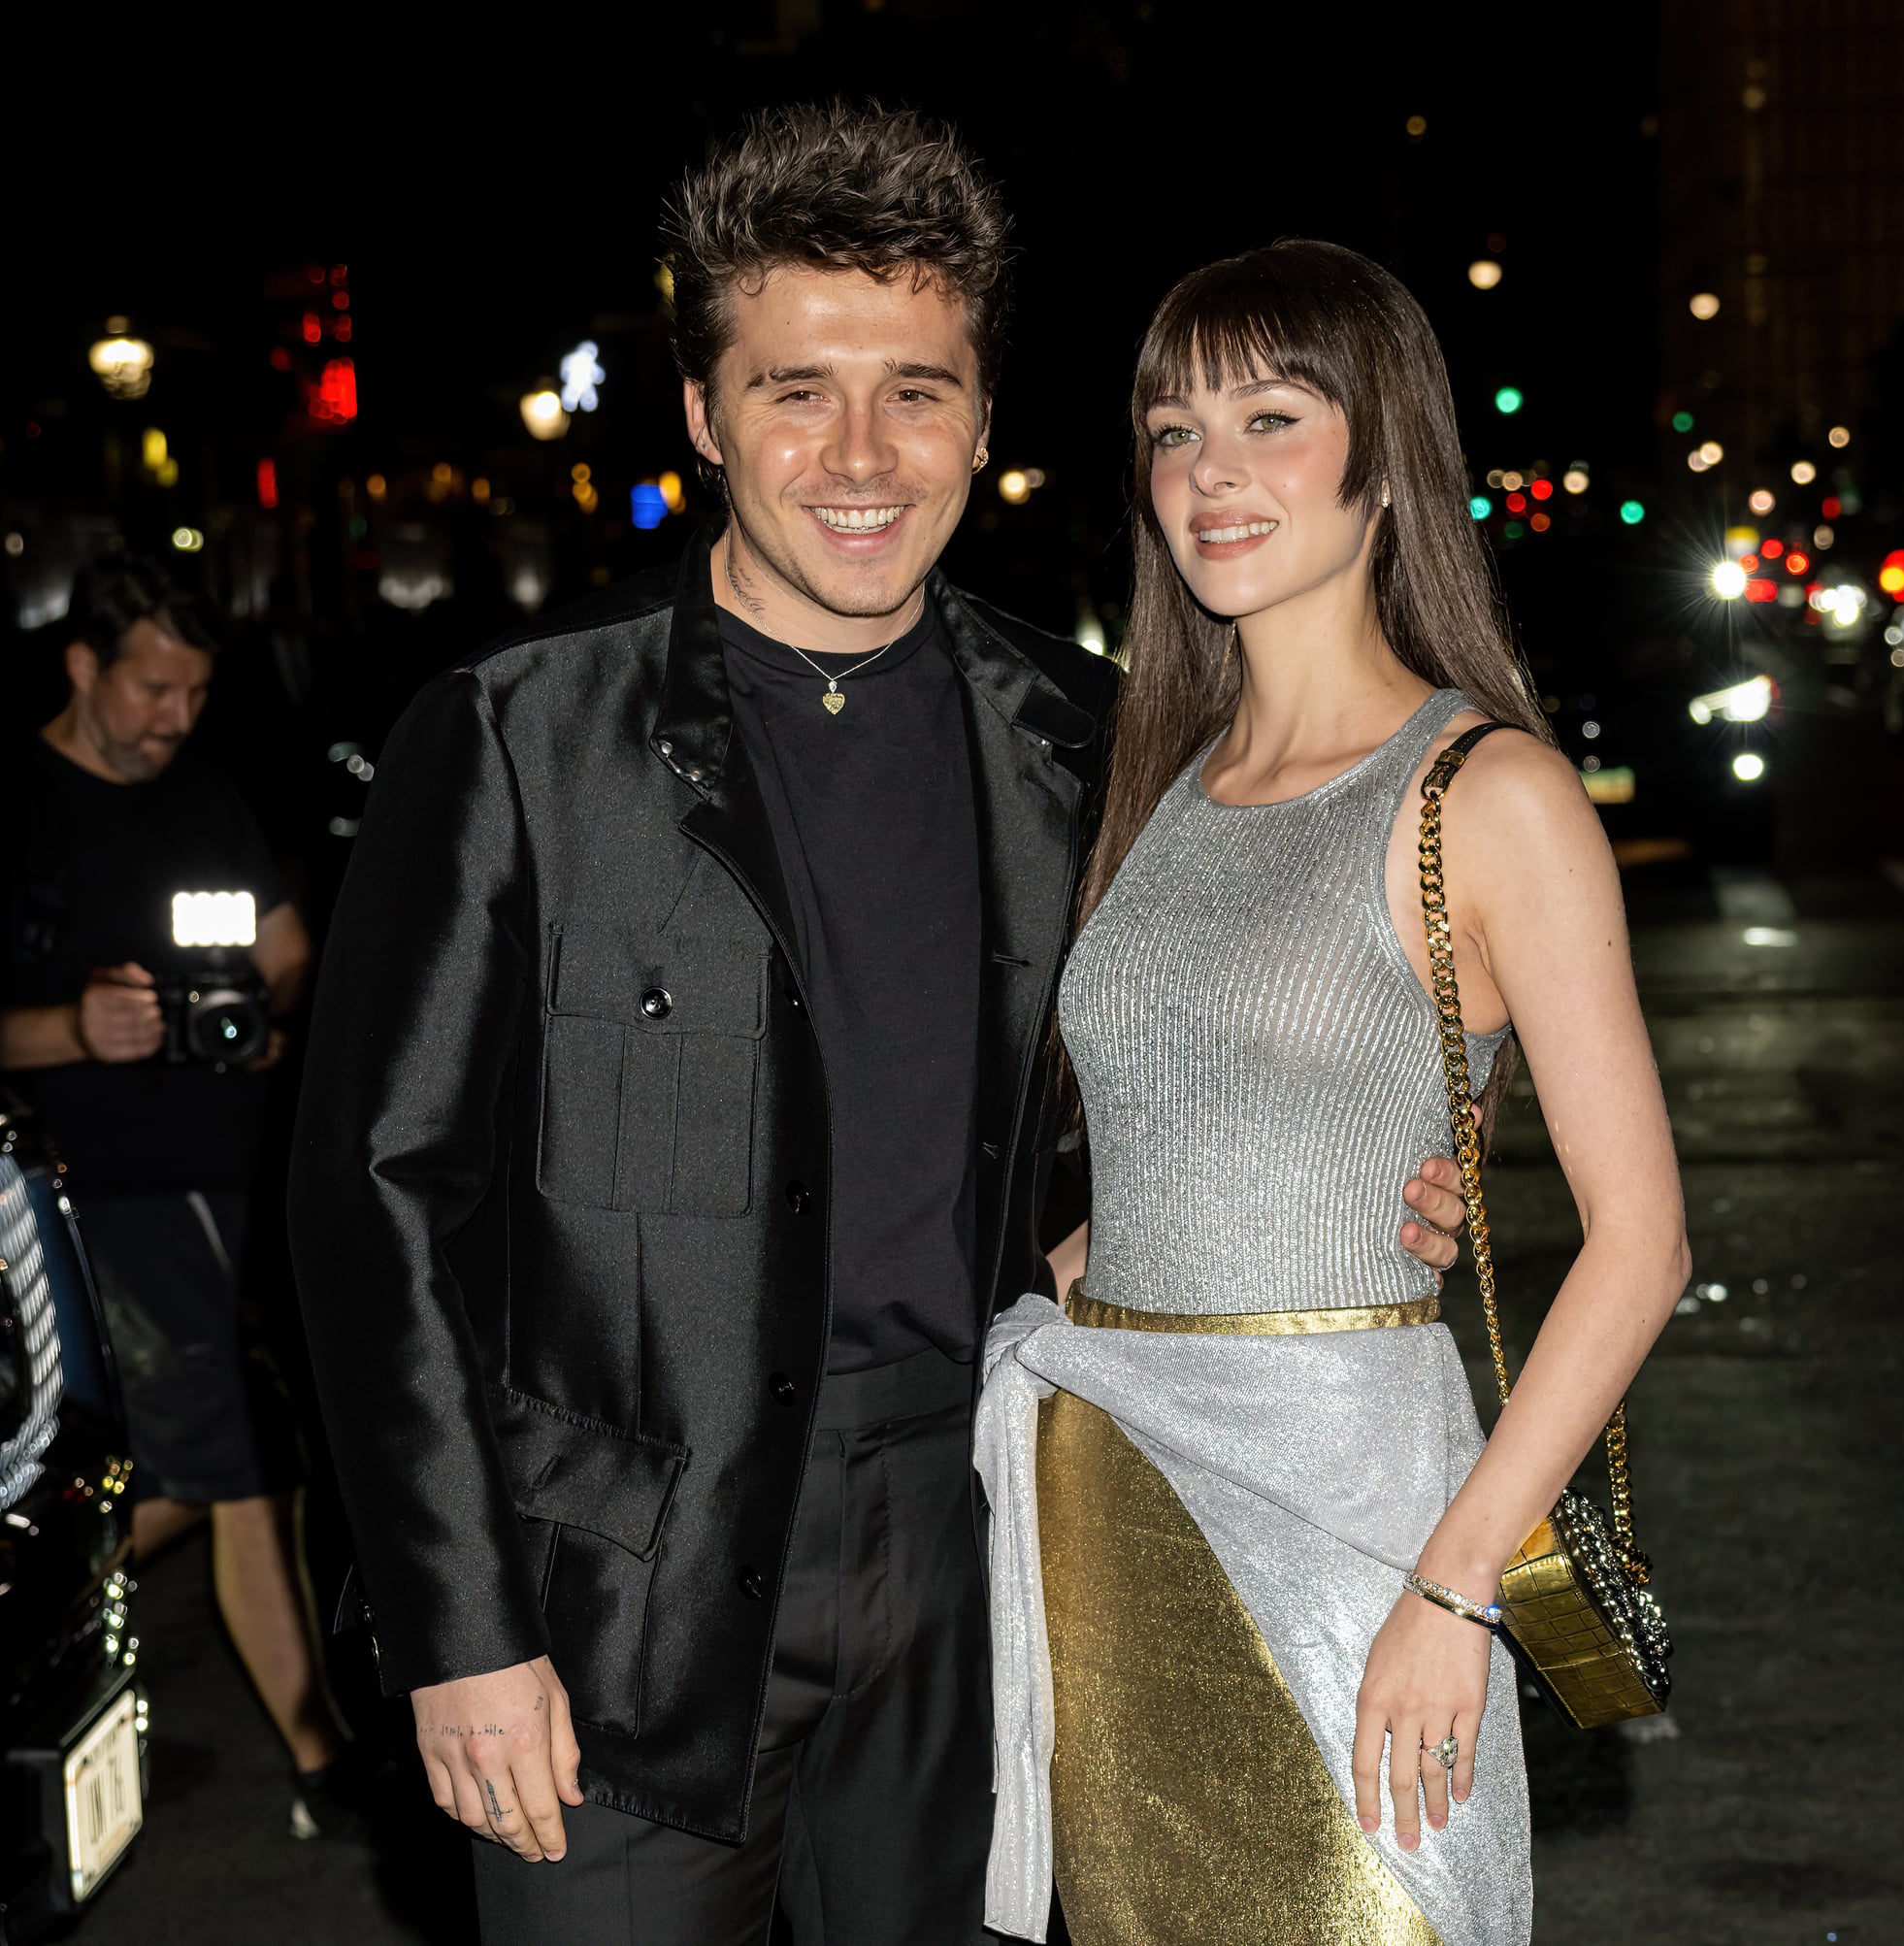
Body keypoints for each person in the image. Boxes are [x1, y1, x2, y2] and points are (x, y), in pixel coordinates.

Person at [287, 107, 1474, 1946]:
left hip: (986, 1544)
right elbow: (378, 1199)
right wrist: (460, 1631)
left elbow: (1170, 1087)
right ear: (700, 412)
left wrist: (1366, 1187)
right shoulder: (519, 735)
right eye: (795, 391)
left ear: (986, 421)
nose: (861, 456)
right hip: (618, 1601)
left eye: (917, 392)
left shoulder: (1092, 741)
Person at [975, 240, 1691, 1946]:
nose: (1208, 473)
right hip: (1112, 1503)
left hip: (1356, 1516)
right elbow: (1177, 1125)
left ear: (1383, 466)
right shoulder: (1153, 781)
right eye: (1170, 430)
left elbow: (1643, 1240)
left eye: (1269, 418)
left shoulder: (1486, 789)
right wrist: (1071, 1270)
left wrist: (1456, 1586)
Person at [0, 556, 364, 1839]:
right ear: (82, 664)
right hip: (79, 1198)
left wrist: (260, 1014)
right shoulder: (19, 805)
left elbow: (287, 950)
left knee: (223, 1465)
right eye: (153, 686)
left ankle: (322, 1755)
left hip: (227, 1183)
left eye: (198, 691)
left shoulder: (206, 797)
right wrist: (68, 1028)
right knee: (230, 1463)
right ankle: (322, 1755)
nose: (174, 716)